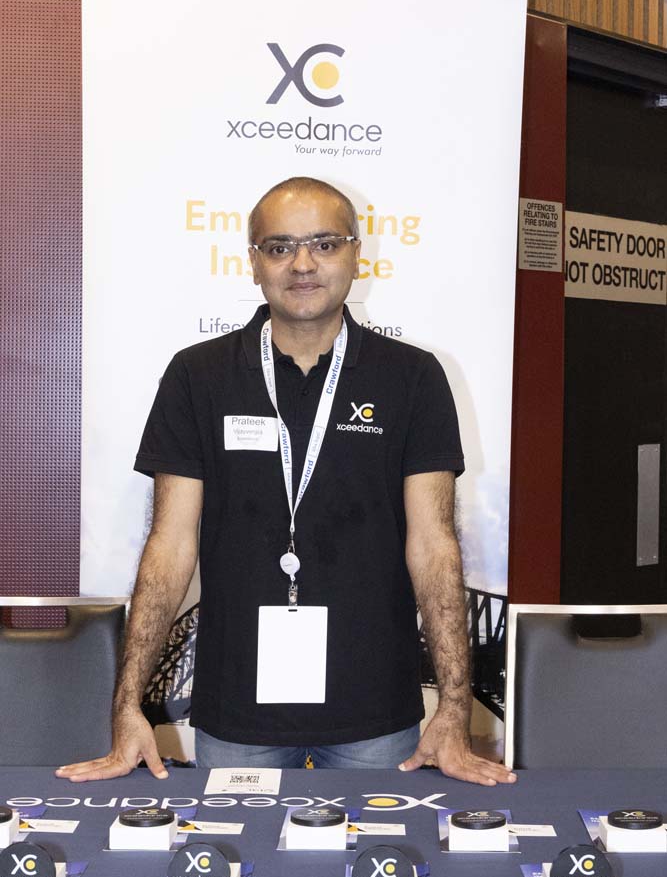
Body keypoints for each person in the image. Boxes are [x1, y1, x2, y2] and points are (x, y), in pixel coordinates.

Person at [57, 176, 516, 787]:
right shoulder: (198, 375)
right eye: (279, 248)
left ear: (356, 254)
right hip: (237, 715)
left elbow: (434, 545)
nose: (302, 264)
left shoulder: (413, 378)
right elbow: (169, 544)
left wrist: (455, 709)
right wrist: (127, 706)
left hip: (375, 712)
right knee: (232, 851)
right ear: (253, 263)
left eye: (324, 244)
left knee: (379, 850)